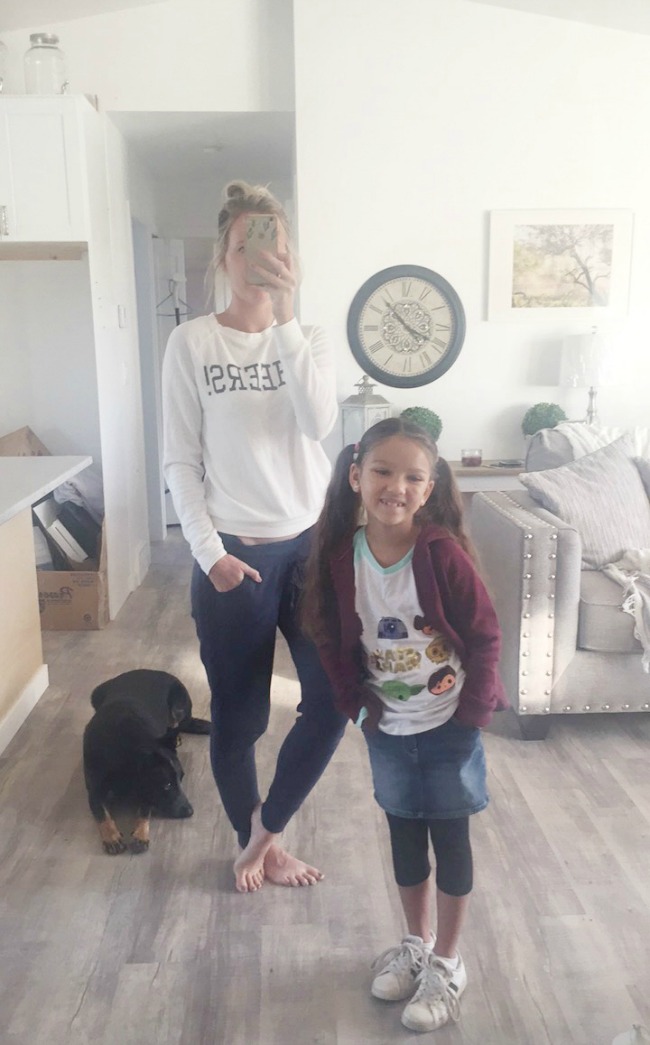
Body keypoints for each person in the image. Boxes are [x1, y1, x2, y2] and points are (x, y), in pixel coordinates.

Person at [162, 180, 347, 893]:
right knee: (239, 722)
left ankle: (266, 831)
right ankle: (257, 845)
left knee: (332, 701)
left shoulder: (311, 337)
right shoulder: (192, 342)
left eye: (274, 245)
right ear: (224, 256)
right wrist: (210, 555)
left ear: (290, 256)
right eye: (245, 245)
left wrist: (287, 320)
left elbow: (319, 423)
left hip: (311, 550)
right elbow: (181, 460)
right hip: (232, 556)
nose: (260, 259)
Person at [301, 417, 507, 1034]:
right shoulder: (341, 558)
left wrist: (473, 715)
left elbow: (485, 636)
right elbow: (330, 637)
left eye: (413, 477)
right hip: (386, 728)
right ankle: (416, 945)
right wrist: (357, 706)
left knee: (450, 840)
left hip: (449, 725)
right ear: (355, 476)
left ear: (429, 488)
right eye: (383, 472)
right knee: (404, 837)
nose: (396, 487)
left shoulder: (440, 553)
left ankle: (447, 962)